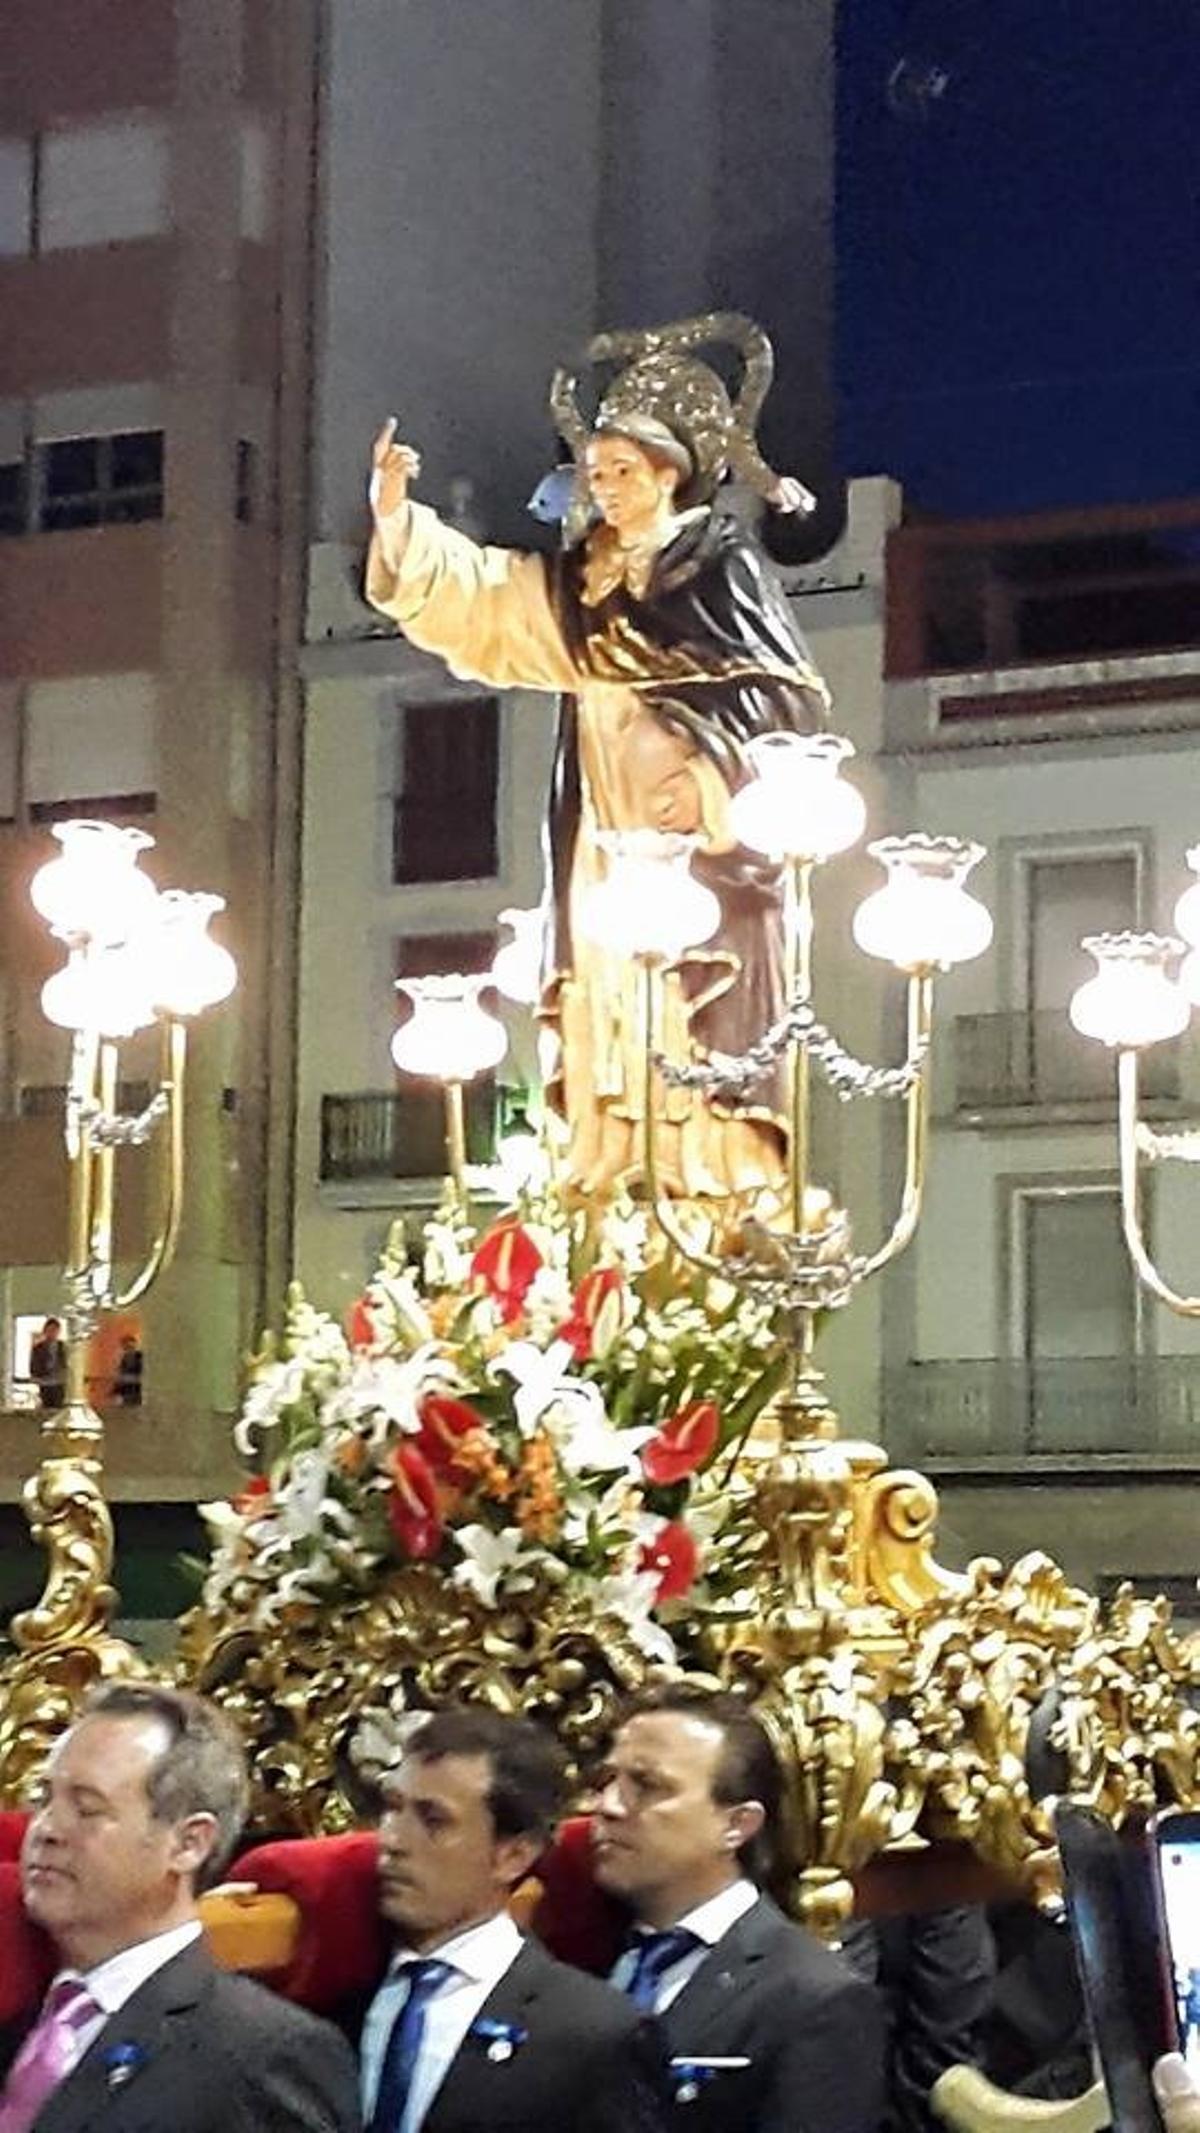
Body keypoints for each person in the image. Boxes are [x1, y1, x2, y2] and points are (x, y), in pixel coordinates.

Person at [366, 313, 831, 1202]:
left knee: (693, 992)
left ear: (668, 474)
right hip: (599, 819)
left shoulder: (719, 564)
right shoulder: (583, 581)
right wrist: (399, 523)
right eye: (596, 473)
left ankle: (711, 1169)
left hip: (699, 833)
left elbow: (784, 696)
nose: (606, 488)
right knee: (608, 983)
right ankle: (613, 1154)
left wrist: (706, 772)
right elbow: (492, 598)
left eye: (622, 471)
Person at [1, 1680, 360, 2133]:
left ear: (188, 1843)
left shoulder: (264, 2054)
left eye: (88, 1809)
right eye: (43, 1798)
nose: (46, 1828)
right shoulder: (23, 2019)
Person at [355, 1704, 667, 2133]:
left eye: (434, 1820)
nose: (392, 1839)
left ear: (513, 1855)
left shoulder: (593, 2032)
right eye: (392, 1808)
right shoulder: (339, 1995)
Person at [591, 1683, 885, 2132]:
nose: (607, 1806)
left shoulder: (813, 1996)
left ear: (737, 1824)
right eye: (606, 1781)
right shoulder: (582, 1950)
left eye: (647, 1786)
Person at [28, 1319, 65, 1410]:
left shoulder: (63, 1346)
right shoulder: (38, 1348)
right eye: (50, 1330)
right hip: (44, 1382)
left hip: (59, 1383)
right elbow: (33, 1365)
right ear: (45, 1331)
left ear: (58, 1331)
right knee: (46, 1408)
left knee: (58, 1407)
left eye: (54, 1330)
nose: (52, 1333)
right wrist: (36, 1377)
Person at [110, 1334, 143, 1408]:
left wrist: (127, 1378)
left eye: (131, 1347)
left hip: (136, 1390)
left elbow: (142, 1375)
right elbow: (120, 1374)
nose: (129, 1350)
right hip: (126, 1390)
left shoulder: (140, 1357)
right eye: (126, 1348)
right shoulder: (124, 1358)